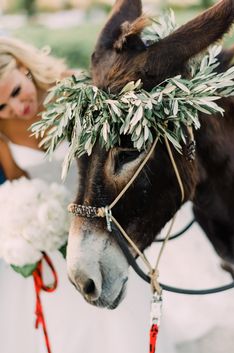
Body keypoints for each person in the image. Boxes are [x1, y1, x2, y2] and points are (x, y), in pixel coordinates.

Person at [0, 36, 153, 353]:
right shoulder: (2, 133)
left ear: (22, 66)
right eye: (2, 106)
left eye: (15, 92)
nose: (17, 108)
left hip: (100, 219)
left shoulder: (70, 88)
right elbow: (17, 182)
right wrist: (31, 221)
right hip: (53, 236)